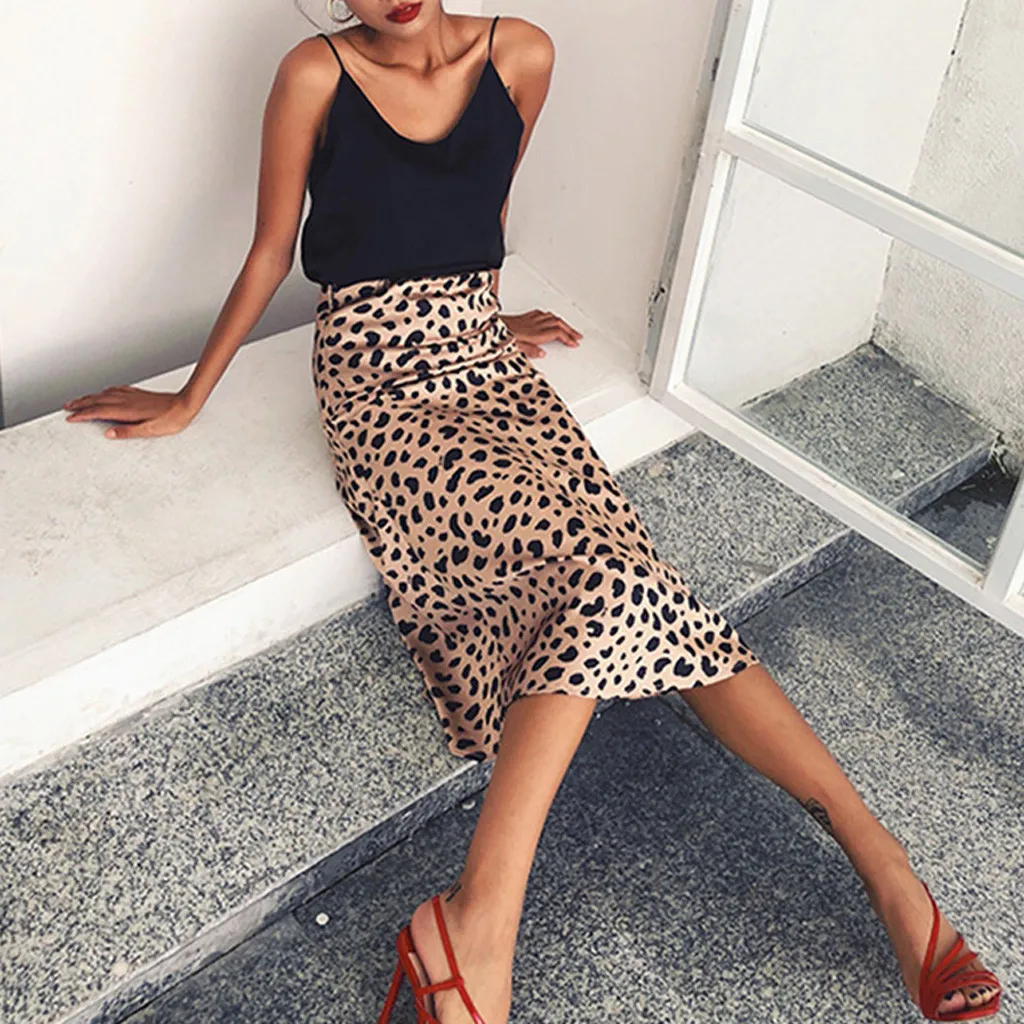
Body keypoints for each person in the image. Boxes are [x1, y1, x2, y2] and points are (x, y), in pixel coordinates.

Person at [62, 3, 1002, 1022]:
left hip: (490, 363)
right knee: (611, 577)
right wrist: (190, 397)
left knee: (641, 584)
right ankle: (490, 918)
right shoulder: (314, 74)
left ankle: (877, 868)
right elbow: (268, 251)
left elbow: (487, 204)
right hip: (379, 380)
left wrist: (486, 311)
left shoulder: (521, 52)